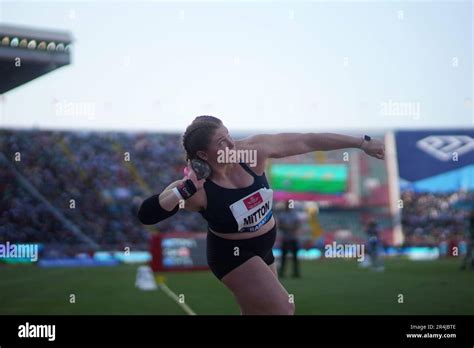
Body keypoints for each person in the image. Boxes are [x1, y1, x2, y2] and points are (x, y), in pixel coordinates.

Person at [137, 115, 385, 315]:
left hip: (265, 247)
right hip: (232, 255)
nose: (231, 145)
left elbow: (308, 141)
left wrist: (361, 143)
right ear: (203, 154)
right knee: (283, 309)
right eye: (221, 142)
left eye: (229, 136)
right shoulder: (197, 188)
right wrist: (183, 190)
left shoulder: (253, 151)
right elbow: (147, 214)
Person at [277, 201, 302, 278]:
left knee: (295, 257)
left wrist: (287, 227)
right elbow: (280, 225)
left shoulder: (294, 214)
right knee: (284, 257)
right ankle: (282, 272)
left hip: (293, 238)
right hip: (286, 238)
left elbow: (297, 225)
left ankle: (296, 273)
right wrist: (290, 227)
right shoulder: (282, 215)